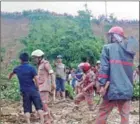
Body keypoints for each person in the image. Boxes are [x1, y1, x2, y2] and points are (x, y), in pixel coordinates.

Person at [95, 26, 136, 124]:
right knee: (125, 116)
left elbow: (104, 68)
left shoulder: (107, 48)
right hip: (126, 89)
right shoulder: (130, 51)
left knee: (103, 113)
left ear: (114, 36)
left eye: (110, 36)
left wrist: (102, 85)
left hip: (112, 89)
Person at [8, 52, 44, 124]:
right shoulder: (32, 68)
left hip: (24, 91)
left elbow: (11, 74)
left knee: (26, 108)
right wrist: (37, 88)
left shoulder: (17, 68)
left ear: (20, 60)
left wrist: (9, 78)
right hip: (33, 90)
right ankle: (42, 121)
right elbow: (36, 79)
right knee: (39, 107)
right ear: (28, 59)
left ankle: (28, 122)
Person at [31, 49, 55, 124]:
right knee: (42, 103)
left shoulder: (45, 63)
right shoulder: (39, 65)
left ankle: (48, 119)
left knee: (43, 103)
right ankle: (50, 117)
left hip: (45, 86)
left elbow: (52, 73)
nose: (34, 59)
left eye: (35, 58)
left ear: (40, 57)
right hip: (40, 86)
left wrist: (53, 84)